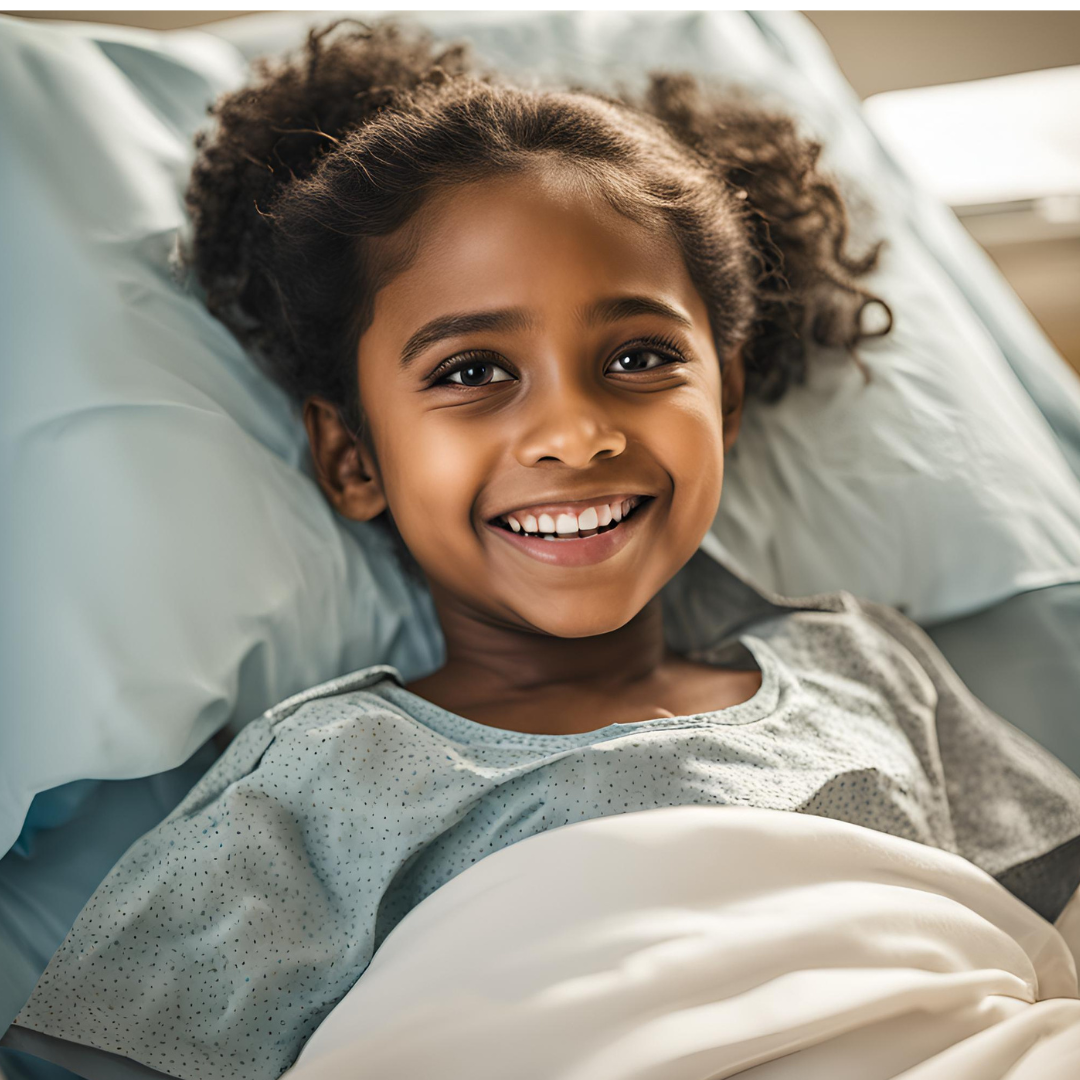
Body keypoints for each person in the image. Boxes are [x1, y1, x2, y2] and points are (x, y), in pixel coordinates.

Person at [9, 17, 1080, 1080]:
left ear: (730, 398)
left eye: (641, 355)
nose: (575, 433)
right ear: (353, 459)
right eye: (472, 371)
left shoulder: (870, 669)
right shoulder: (317, 779)